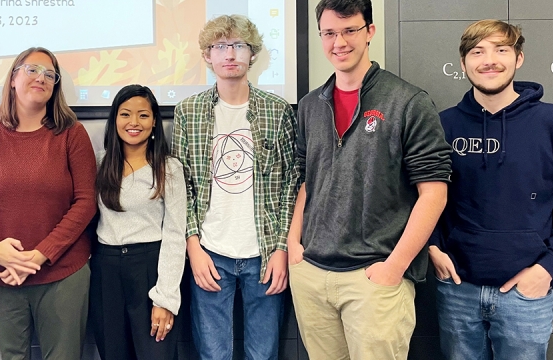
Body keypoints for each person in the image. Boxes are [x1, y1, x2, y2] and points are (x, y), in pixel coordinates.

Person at [287, 0, 452, 359]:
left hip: (374, 279)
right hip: (311, 273)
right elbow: (306, 179)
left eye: (349, 30)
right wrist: (293, 245)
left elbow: (434, 194)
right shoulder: (310, 105)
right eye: (329, 33)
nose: (339, 42)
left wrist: (394, 268)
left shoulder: (408, 102)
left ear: (370, 32)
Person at [429, 19, 553, 360]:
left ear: (518, 58)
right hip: (458, 289)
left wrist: (546, 269)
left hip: (527, 294)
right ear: (464, 63)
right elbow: (419, 197)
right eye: (477, 52)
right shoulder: (443, 125)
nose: (489, 60)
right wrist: (432, 247)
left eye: (501, 50)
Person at [171, 14, 298, 360]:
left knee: (264, 354)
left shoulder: (277, 111)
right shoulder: (188, 112)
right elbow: (180, 188)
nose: (230, 54)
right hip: (210, 252)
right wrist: (193, 247)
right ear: (208, 55)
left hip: (266, 252)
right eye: (220, 46)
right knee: (213, 354)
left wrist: (282, 248)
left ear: (252, 54)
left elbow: (291, 184)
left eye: (238, 45)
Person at [0, 47, 97, 360]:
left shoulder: (71, 135)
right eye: (33, 69)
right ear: (13, 79)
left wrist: (38, 256)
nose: (42, 78)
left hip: (62, 275)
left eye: (50, 74)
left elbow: (86, 202)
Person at [90, 84, 186, 359]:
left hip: (150, 268)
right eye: (125, 114)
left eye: (143, 115)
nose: (134, 123)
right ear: (114, 120)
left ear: (154, 121)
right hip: (106, 271)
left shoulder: (169, 168)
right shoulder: (98, 164)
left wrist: (165, 298)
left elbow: (175, 234)